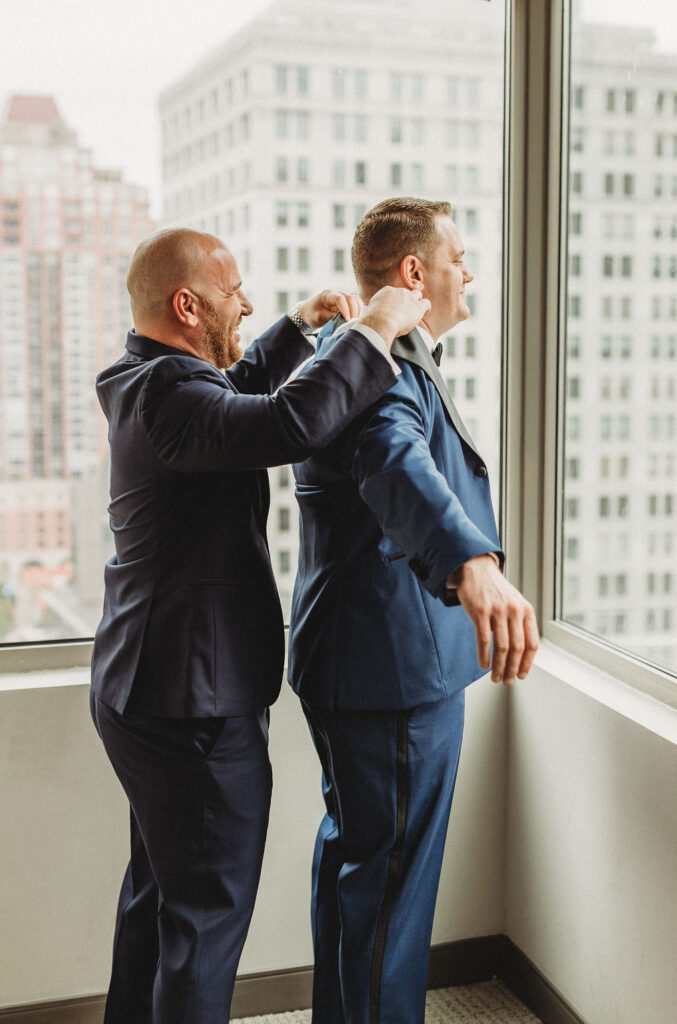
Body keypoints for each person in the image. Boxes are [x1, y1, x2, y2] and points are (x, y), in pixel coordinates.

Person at [89, 227, 430, 1024]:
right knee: (206, 921)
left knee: (161, 900)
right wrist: (371, 328)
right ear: (185, 304)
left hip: (142, 689)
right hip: (191, 707)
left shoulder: (147, 377)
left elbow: (233, 393)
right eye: (232, 289)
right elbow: (281, 424)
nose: (245, 301)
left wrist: (296, 329)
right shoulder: (171, 394)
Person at [288, 198, 539, 1024]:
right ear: (412, 274)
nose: (468, 272)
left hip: (361, 659)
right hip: (387, 667)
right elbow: (394, 460)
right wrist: (470, 562)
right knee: (388, 888)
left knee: (360, 865)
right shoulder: (380, 364)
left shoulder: (354, 353)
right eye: (458, 257)